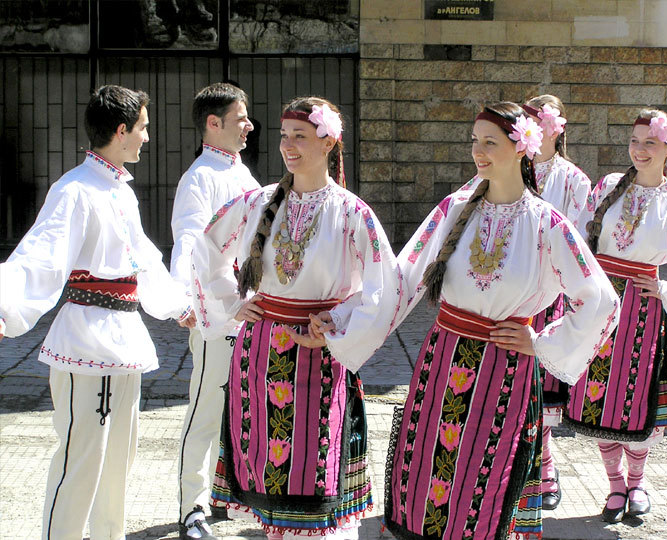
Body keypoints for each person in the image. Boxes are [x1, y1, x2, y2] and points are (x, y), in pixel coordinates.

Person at [383, 102, 620, 539]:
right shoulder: (455, 207)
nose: (478, 151)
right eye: (474, 141)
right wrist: (342, 321)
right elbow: (403, 276)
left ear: (521, 148)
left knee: (489, 478)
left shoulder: (547, 223)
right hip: (443, 359)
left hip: (504, 366)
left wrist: (543, 342)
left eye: (489, 142)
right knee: (430, 470)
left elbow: (600, 299)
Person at [192, 96, 401, 539]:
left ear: (328, 143)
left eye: (300, 136)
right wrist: (231, 303)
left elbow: (386, 287)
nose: (288, 145)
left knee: (313, 477)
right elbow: (206, 247)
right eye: (285, 136)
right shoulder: (257, 202)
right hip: (260, 354)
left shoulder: (351, 212)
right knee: (268, 478)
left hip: (317, 354)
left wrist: (338, 322)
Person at [0, 84, 193, 539]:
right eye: (143, 128)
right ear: (122, 130)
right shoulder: (75, 190)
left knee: (119, 459)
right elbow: (41, 255)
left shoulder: (119, 190)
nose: (148, 137)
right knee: (81, 457)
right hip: (84, 335)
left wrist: (177, 305)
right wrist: (4, 308)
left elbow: (142, 258)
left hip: (124, 337)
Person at [565, 109, 667, 523]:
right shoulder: (610, 186)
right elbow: (578, 236)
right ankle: (615, 487)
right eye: (635, 141)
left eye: (649, 142)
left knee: (634, 400)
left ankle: (637, 482)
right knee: (598, 400)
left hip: (641, 309)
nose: (639, 150)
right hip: (600, 305)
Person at [171, 82, 260, 540]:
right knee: (204, 412)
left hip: (251, 314)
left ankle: (230, 493)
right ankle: (193, 507)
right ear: (213, 123)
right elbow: (189, 241)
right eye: (240, 117)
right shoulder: (200, 178)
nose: (249, 125)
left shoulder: (244, 175)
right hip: (218, 316)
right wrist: (182, 297)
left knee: (241, 411)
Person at [521, 94, 593, 511]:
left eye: (537, 122)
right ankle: (528, 463)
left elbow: (580, 240)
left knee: (544, 385)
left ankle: (544, 463)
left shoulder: (574, 180)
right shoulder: (511, 169)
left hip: (552, 291)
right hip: (513, 292)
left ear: (554, 129)